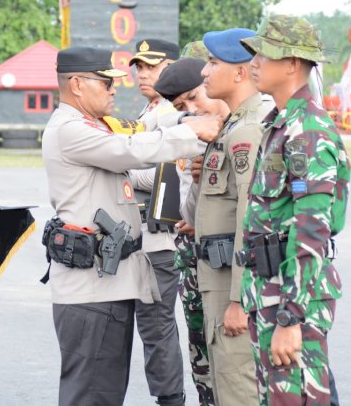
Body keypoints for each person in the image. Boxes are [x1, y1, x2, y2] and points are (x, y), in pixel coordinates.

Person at [42, 46, 221, 406]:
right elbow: (131, 149)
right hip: (90, 290)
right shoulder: (70, 130)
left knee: (106, 391)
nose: (113, 90)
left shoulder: (92, 126)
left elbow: (141, 128)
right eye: (105, 82)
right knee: (91, 395)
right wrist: (193, 132)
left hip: (107, 285)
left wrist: (183, 118)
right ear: (76, 84)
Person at [238, 15, 351, 405]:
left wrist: (291, 316)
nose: (254, 63)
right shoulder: (281, 124)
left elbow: (312, 229)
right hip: (269, 293)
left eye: (264, 54)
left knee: (298, 398)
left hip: (291, 299)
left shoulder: (308, 131)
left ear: (292, 64)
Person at [192, 28, 269, 405]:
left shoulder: (249, 131)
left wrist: (239, 298)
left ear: (240, 72)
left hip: (232, 289)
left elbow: (249, 219)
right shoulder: (232, 126)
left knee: (240, 392)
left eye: (212, 62)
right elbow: (201, 211)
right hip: (217, 282)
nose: (204, 73)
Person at [153, 55, 229, 406]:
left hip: (239, 268)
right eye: (184, 105)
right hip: (199, 255)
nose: (194, 108)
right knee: (203, 351)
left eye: (196, 97)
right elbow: (188, 211)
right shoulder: (200, 131)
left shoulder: (252, 128)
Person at [127, 38, 188, 405]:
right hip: (141, 239)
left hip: (158, 241)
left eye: (152, 65)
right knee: (153, 329)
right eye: (139, 66)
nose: (143, 73)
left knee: (157, 329)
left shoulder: (173, 112)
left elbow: (172, 177)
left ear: (172, 66)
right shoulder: (148, 111)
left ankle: (171, 400)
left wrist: (120, 171)